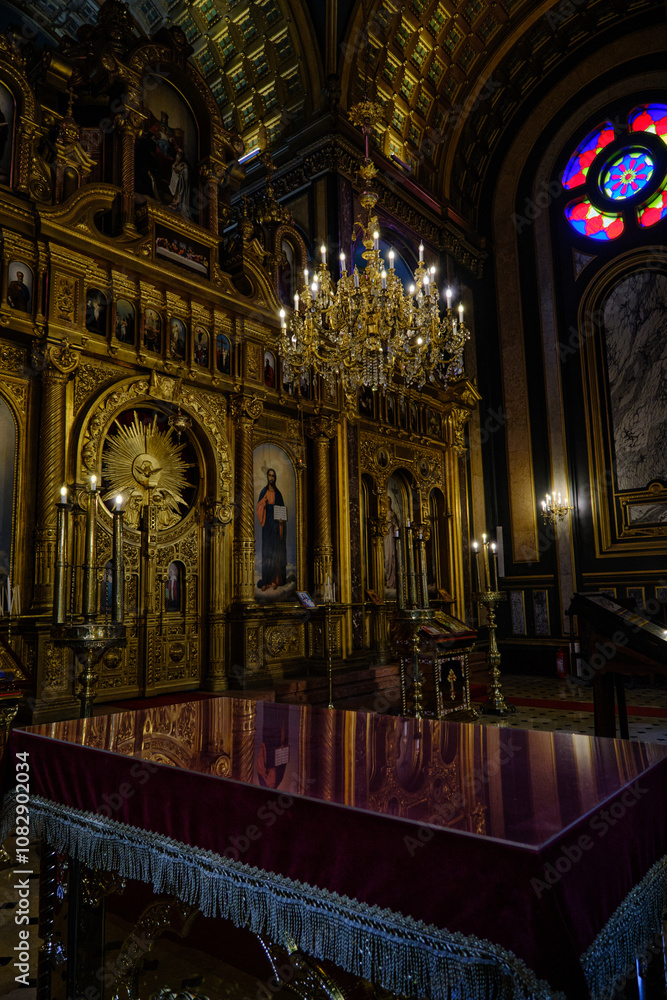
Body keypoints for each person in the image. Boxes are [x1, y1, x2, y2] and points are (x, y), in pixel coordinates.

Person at [256, 468, 287, 591]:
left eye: (273, 476)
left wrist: (281, 521)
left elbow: (282, 510)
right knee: (267, 551)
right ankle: (266, 580)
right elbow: (259, 508)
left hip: (275, 525)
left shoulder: (278, 494)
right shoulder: (264, 491)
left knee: (275, 551)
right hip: (267, 525)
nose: (271, 478)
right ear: (267, 477)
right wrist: (264, 502)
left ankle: (274, 580)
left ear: (275, 477)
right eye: (269, 475)